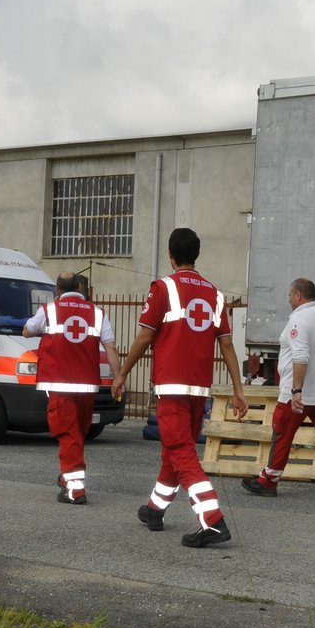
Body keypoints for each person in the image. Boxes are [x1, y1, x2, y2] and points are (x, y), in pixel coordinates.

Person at [113, 227, 248, 548]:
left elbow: (145, 337)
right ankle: (155, 510)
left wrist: (121, 374)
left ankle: (212, 521)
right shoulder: (215, 294)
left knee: (181, 452)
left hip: (171, 387)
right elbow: (227, 346)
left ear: (171, 255)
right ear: (196, 255)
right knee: (172, 452)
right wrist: (238, 389)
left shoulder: (163, 287)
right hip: (198, 389)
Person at [242, 278, 315, 501]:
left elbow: (301, 356)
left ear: (297, 295)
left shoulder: (299, 319)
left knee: (282, 430)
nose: (287, 299)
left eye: (288, 295)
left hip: (301, 393)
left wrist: (297, 390)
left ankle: (269, 480)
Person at [23, 272, 120, 505]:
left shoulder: (49, 310)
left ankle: (75, 489)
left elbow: (27, 330)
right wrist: (118, 379)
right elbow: (111, 348)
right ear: (80, 287)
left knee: (67, 433)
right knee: (77, 431)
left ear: (57, 290)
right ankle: (68, 478)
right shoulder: (97, 313)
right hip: (88, 385)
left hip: (58, 383)